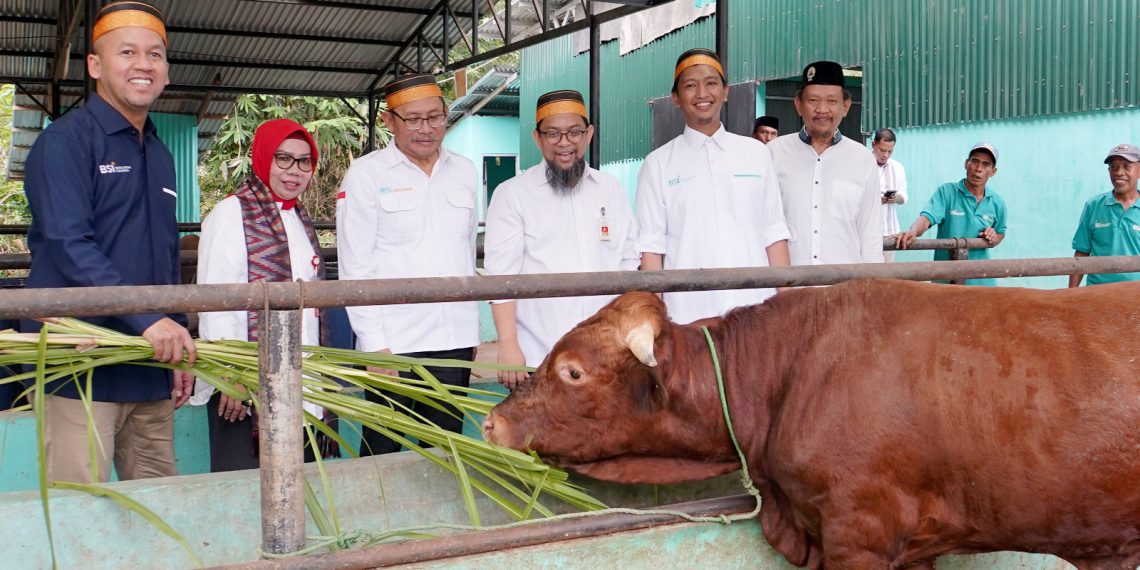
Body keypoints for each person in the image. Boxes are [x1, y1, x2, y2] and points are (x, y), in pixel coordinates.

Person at [20, 1, 195, 483]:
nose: (144, 64)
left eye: (155, 54)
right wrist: (150, 321)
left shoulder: (159, 153)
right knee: (82, 506)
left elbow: (164, 254)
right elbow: (67, 243)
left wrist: (176, 336)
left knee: (160, 501)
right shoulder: (66, 143)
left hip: (148, 361)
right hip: (81, 363)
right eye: (128, 52)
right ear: (96, 65)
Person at [336, 73, 479, 455]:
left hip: (454, 341)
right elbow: (356, 267)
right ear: (389, 121)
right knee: (383, 449)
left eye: (435, 117)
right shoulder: (366, 175)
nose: (426, 129)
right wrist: (374, 345)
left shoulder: (464, 171)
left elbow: (464, 251)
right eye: (413, 119)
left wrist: (472, 334)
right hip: (394, 344)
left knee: (446, 449)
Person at [193, 119, 337, 471]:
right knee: (245, 484)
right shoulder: (231, 213)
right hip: (244, 383)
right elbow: (215, 302)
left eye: (305, 161)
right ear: (261, 158)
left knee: (299, 481)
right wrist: (230, 375)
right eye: (283, 158)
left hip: (300, 376)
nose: (295, 171)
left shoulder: (299, 216)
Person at [485, 90, 639, 388]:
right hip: (539, 356)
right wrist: (508, 344)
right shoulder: (513, 194)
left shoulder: (611, 190)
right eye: (553, 133)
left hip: (605, 357)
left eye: (574, 132)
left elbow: (629, 263)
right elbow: (501, 275)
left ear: (589, 134)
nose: (564, 143)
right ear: (537, 138)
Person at [636, 48, 791, 325]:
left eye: (711, 83)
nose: (702, 93)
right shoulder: (658, 164)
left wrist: (788, 306)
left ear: (726, 91)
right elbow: (651, 248)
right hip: (689, 320)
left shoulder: (756, 154)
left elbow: (773, 232)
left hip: (756, 315)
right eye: (690, 85)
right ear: (675, 98)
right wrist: (657, 321)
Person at [768, 61, 884, 266]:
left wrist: (872, 290)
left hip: (844, 288)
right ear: (798, 104)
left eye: (831, 101)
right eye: (813, 100)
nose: (822, 109)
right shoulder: (773, 153)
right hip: (789, 288)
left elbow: (870, 233)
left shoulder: (862, 159)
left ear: (845, 106)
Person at [895, 142, 1007, 286]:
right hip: (947, 282)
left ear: (993, 171)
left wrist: (992, 237)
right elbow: (927, 218)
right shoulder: (947, 192)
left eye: (986, 164)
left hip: (982, 282)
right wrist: (913, 231)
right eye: (975, 161)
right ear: (966, 164)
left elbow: (1000, 233)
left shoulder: (997, 202)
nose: (978, 169)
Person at [1069, 143, 1140, 287]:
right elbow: (1082, 253)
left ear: (1139, 172)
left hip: (1135, 296)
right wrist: (1071, 293)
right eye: (1114, 167)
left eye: (1127, 166)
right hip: (1097, 294)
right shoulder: (1093, 206)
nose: (1119, 172)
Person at [872, 128, 908, 261]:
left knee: (887, 274)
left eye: (890, 151)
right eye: (882, 150)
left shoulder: (897, 167)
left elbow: (904, 196)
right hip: (865, 231)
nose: (885, 155)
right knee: (865, 274)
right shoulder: (862, 164)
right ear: (873, 144)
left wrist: (896, 198)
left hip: (890, 231)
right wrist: (875, 199)